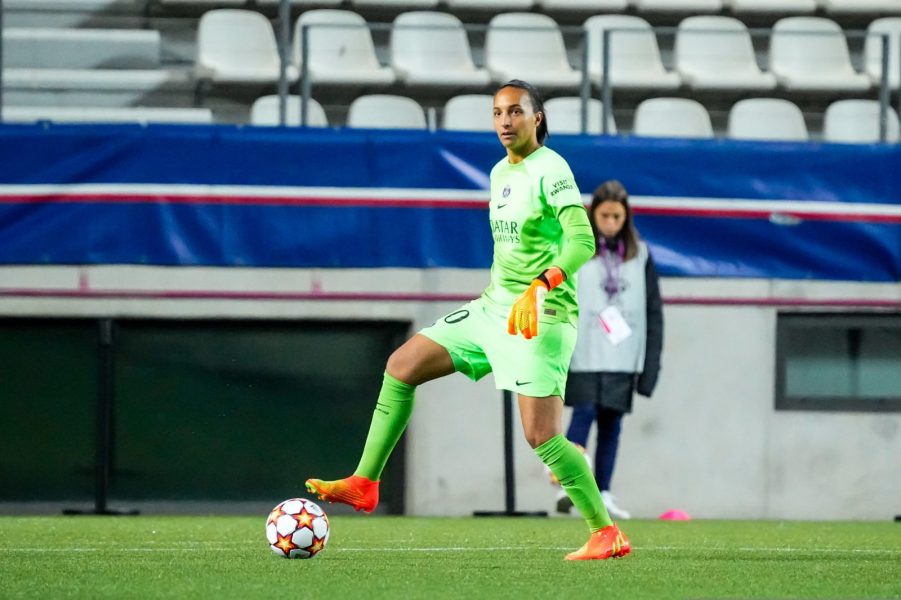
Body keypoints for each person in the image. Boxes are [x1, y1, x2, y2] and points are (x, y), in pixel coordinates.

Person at [306, 80, 630, 561]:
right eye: (497, 113)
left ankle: (606, 533)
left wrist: (541, 286)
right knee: (402, 365)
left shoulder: (552, 167)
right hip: (492, 309)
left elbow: (581, 241)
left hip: (541, 313)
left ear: (536, 118)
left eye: (515, 112)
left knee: (542, 436)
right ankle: (365, 482)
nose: (504, 121)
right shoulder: (500, 171)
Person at [554, 180, 663, 520]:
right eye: (605, 215)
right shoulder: (575, 247)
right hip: (583, 350)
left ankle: (602, 493)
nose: (611, 223)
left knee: (611, 424)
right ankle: (568, 486)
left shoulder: (640, 255)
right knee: (583, 412)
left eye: (617, 216)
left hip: (623, 352)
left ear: (626, 217)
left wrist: (650, 368)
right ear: (593, 214)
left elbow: (653, 310)